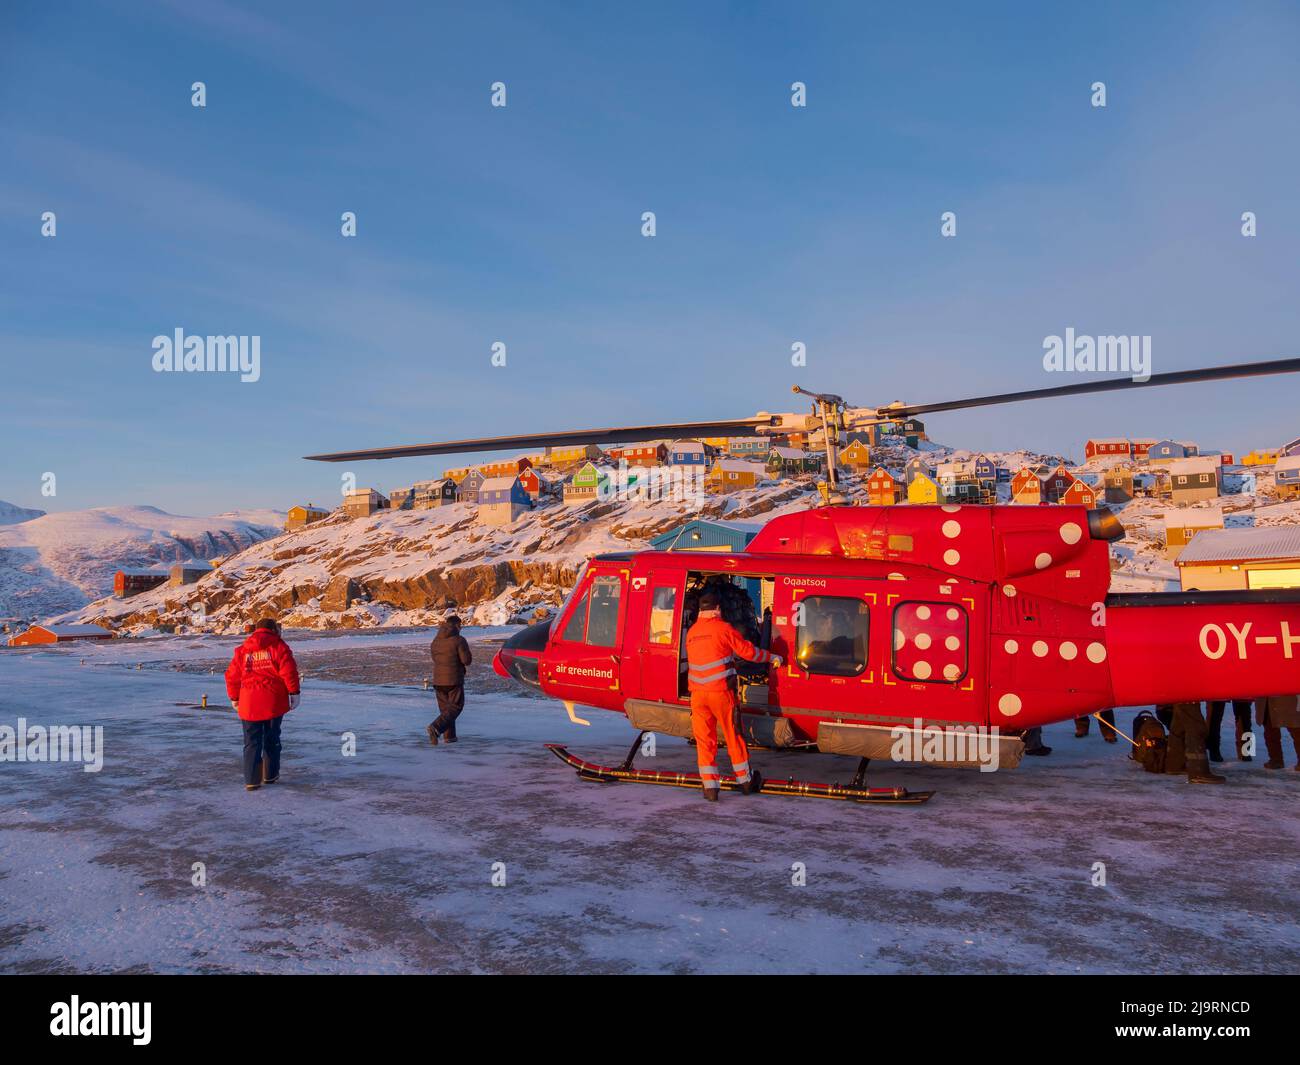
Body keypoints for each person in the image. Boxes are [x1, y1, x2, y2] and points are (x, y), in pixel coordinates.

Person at [685, 590, 781, 801]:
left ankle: (710, 788)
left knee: (705, 741)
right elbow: (749, 652)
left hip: (697, 696)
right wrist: (771, 656)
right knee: (733, 735)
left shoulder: (691, 632)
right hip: (721, 693)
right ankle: (745, 781)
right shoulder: (723, 628)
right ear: (718, 609)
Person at [224, 618, 300, 791]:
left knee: (251, 741)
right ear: (274, 629)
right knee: (272, 739)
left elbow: (232, 676)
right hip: (273, 700)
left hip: (249, 701)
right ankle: (270, 775)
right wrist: (294, 693)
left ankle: (252, 780)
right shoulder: (279, 647)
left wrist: (234, 697)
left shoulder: (242, 650)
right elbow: (289, 671)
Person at [428, 612, 472, 745]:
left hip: (438, 680)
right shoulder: (459, 640)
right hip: (453, 679)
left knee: (446, 711)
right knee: (456, 707)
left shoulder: (435, 641)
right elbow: (466, 660)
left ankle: (450, 737)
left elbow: (435, 659)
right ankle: (436, 727)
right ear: (457, 625)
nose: (461, 629)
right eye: (461, 626)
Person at [1156, 701, 1224, 784]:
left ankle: (1175, 765)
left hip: (1179, 693)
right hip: (1187, 692)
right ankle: (1198, 771)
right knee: (1195, 725)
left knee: (1180, 723)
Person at [1256, 695, 1300, 771]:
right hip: (1266, 696)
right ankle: (1275, 760)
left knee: (1295, 726)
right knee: (1270, 729)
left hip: (1286, 694)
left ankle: (1276, 760)